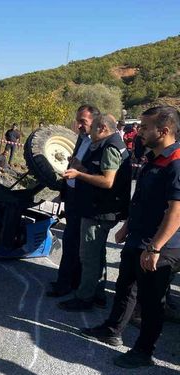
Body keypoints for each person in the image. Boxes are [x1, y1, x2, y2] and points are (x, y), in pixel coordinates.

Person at [80, 106, 180, 369]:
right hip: (139, 237)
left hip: (162, 244)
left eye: (146, 128)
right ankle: (112, 330)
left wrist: (156, 247)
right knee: (125, 286)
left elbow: (176, 211)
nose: (139, 132)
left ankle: (144, 350)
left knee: (151, 300)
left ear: (165, 130)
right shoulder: (153, 157)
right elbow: (142, 198)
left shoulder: (176, 162)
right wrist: (127, 227)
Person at [58, 114, 132, 311]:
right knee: (97, 253)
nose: (88, 132)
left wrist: (78, 174)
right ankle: (97, 293)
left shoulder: (109, 147)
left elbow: (107, 181)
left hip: (98, 210)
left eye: (92, 128)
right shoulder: (112, 143)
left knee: (89, 256)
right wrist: (81, 166)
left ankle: (84, 297)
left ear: (102, 129)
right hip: (100, 209)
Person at [46, 105, 99, 297]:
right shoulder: (82, 138)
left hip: (84, 201)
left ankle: (66, 284)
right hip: (72, 197)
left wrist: (80, 168)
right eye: (78, 121)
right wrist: (64, 191)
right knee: (71, 241)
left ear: (95, 121)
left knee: (73, 242)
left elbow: (99, 175)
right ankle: (69, 281)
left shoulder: (100, 143)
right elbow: (73, 165)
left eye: (83, 122)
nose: (79, 126)